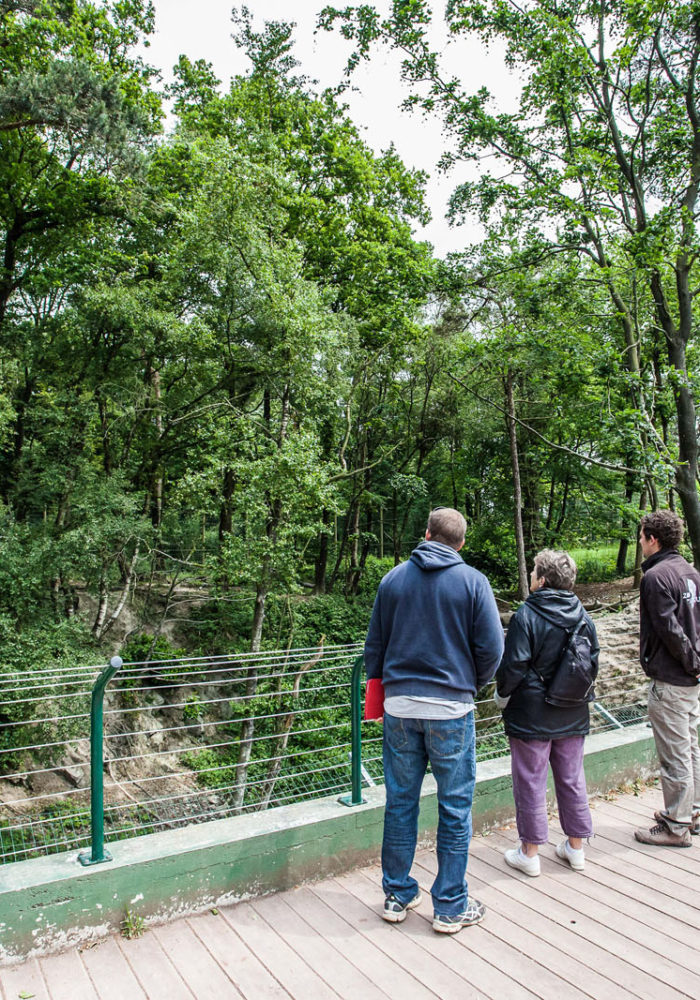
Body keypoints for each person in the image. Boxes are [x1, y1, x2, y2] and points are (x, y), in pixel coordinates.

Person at [364, 507, 503, 934]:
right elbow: (493, 650)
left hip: (401, 709)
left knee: (400, 802)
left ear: (426, 534)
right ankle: (449, 906)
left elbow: (375, 648)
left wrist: (387, 693)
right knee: (455, 806)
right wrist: (468, 684)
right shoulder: (474, 583)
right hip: (451, 711)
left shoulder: (393, 580)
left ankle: (397, 895)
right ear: (460, 544)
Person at [494, 549, 599, 877]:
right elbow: (592, 663)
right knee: (571, 777)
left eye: (534, 572)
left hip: (532, 714)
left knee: (530, 779)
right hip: (573, 709)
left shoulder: (527, 614)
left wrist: (501, 695)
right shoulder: (584, 615)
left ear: (541, 579)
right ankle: (576, 848)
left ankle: (530, 853)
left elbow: (513, 666)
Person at [634, 509, 700, 847]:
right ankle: (692, 811)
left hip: (673, 678)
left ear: (653, 539)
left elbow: (670, 630)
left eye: (642, 535)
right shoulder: (690, 572)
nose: (640, 541)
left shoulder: (656, 577)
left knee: (675, 754)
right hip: (689, 680)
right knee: (690, 748)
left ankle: (676, 826)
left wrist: (692, 663)